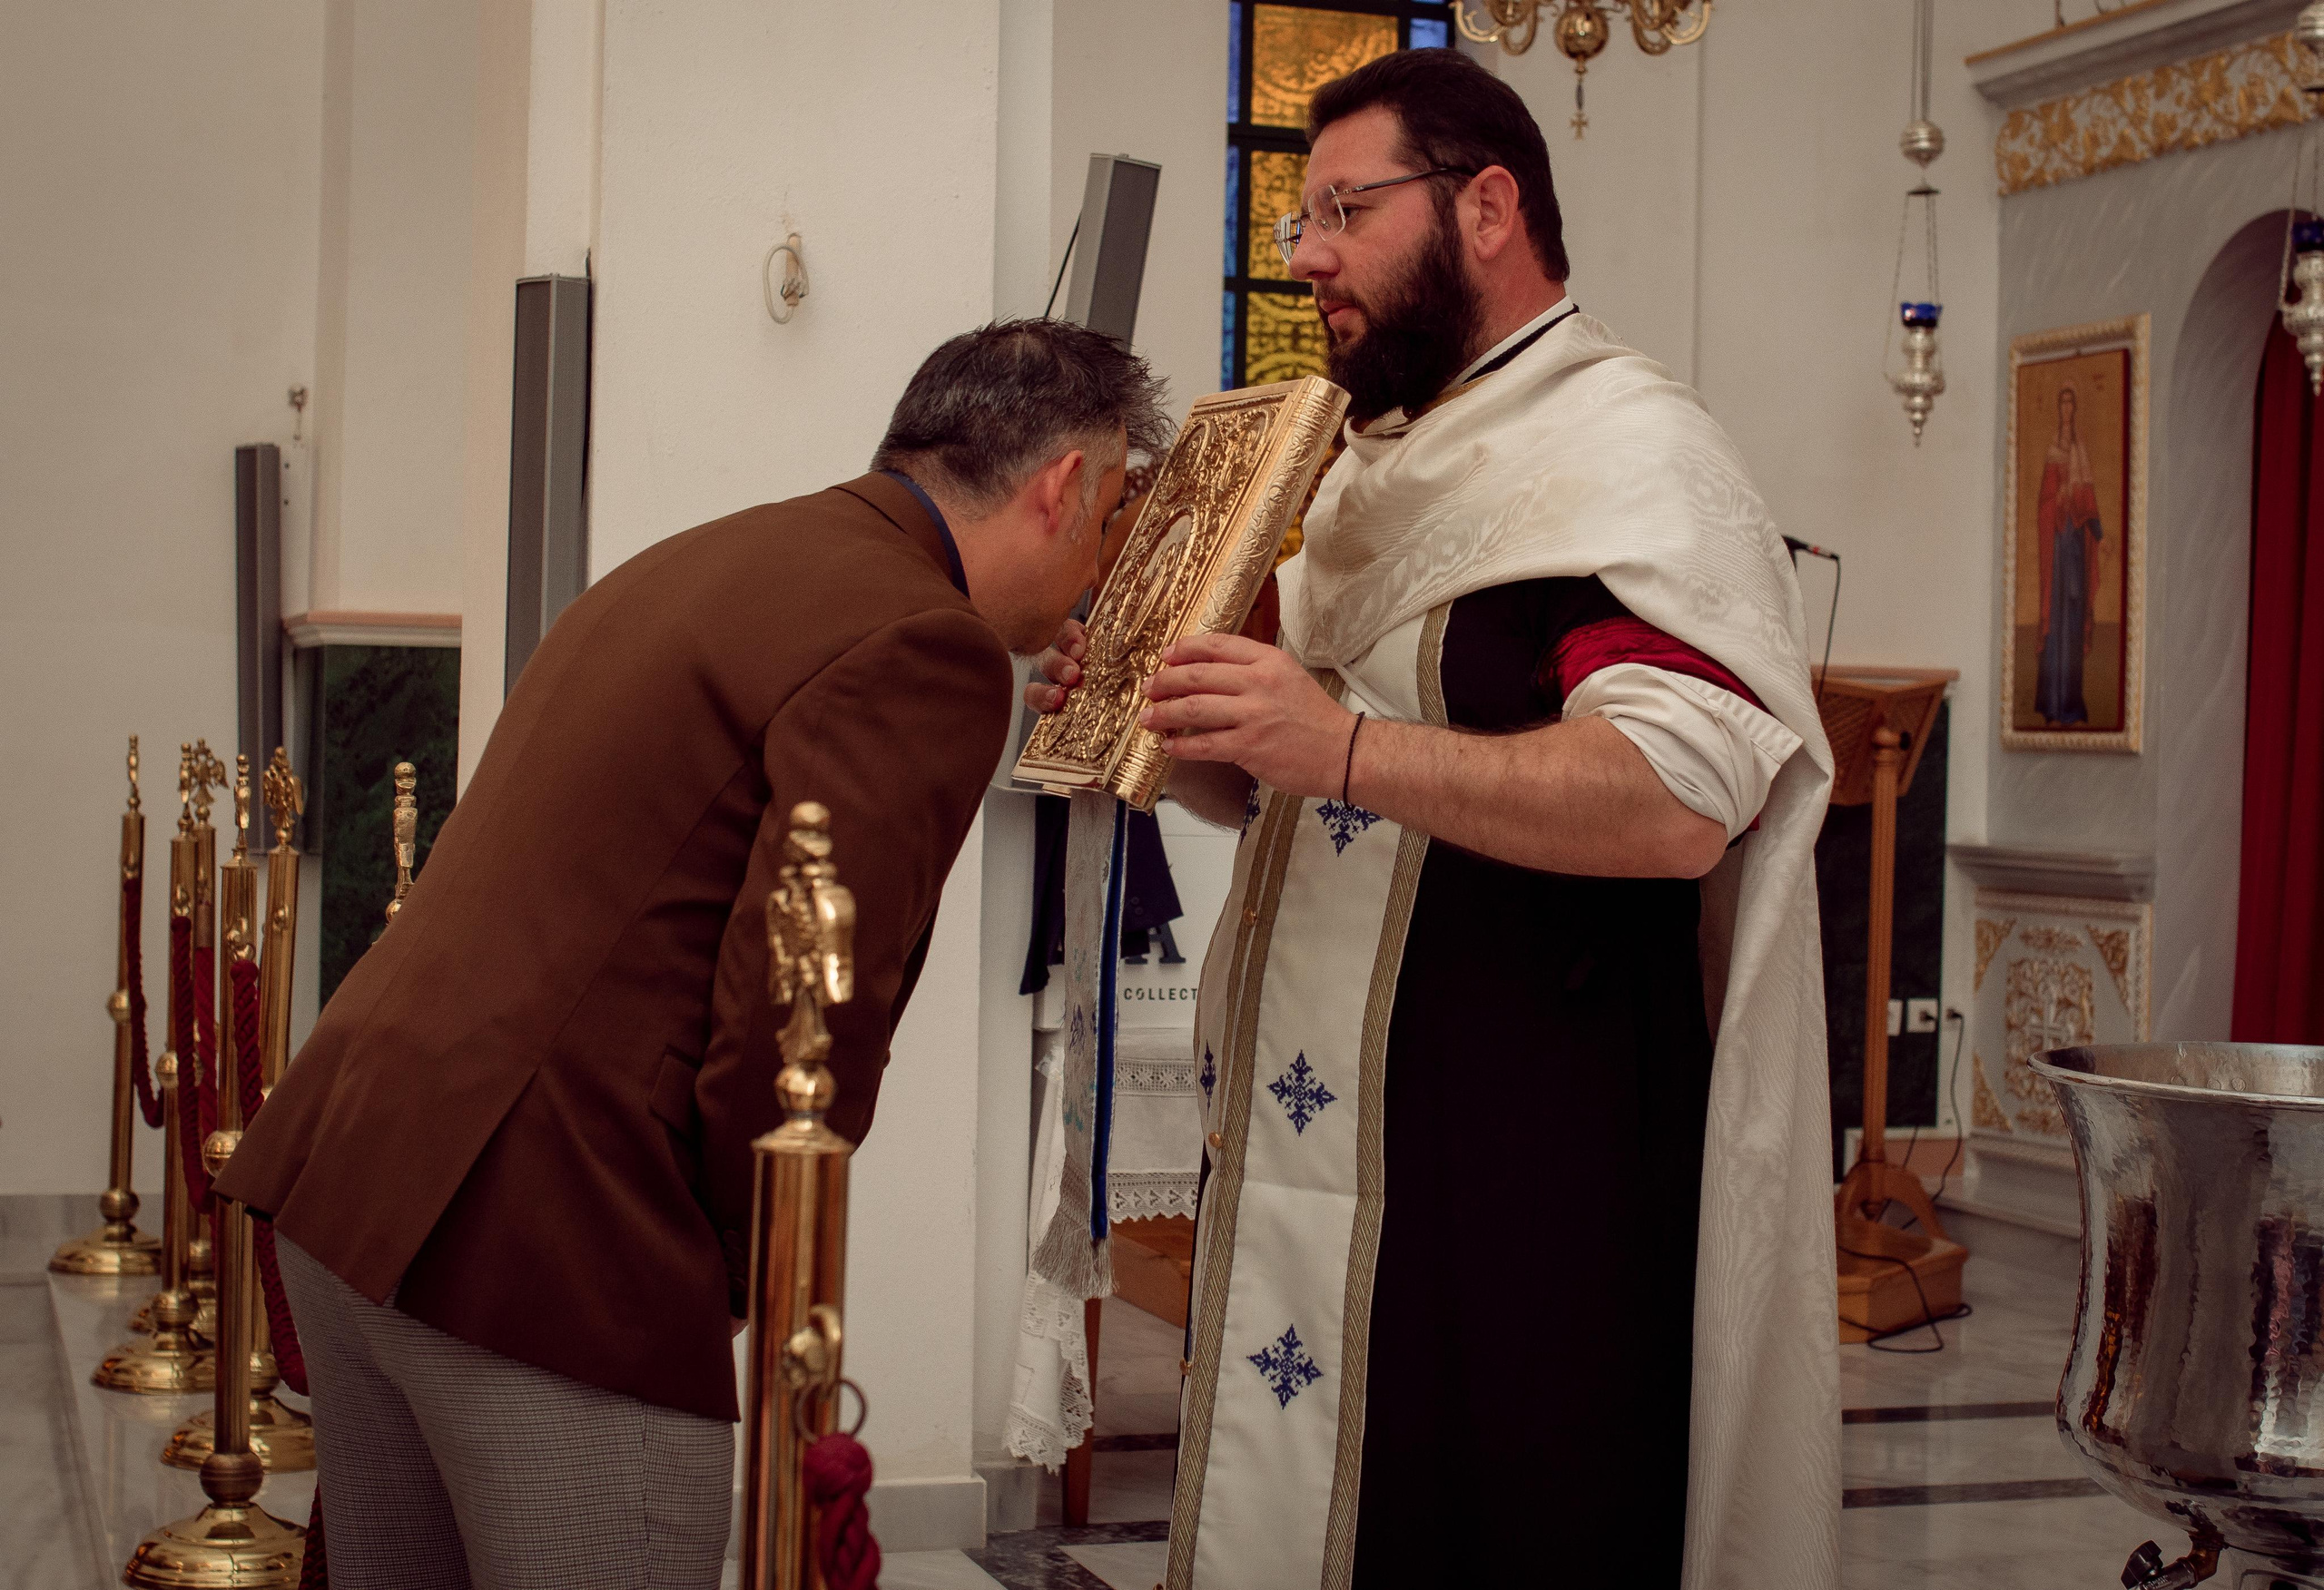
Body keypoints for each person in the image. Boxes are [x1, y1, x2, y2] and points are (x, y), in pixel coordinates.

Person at [1031, 49, 1837, 1590]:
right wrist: (1177, 721)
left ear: (1487, 206)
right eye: (1298, 221)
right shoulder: (1359, 472)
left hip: (1530, 1153)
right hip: (1313, 1138)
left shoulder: (1628, 456)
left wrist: (1334, 743)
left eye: (1346, 208)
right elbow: (1296, 784)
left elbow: (1678, 801)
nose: (1310, 254)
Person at [218, 319, 1168, 1590]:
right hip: (546, 1241)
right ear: (1064, 485)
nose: (1096, 576)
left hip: (361, 1171)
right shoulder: (922, 644)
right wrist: (728, 1268)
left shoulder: (721, 553)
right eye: (1111, 523)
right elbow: (797, 1023)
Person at [2034, 381, 2103, 726]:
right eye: (2061, 404)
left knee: (2074, 623)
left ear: (2074, 409)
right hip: (2059, 551)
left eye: (2070, 404)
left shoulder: (2080, 451)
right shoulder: (2054, 454)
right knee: (2058, 622)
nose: (2066, 410)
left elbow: (2088, 500)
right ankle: (2053, 703)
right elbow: (2044, 506)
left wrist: (2092, 524)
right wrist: (2057, 501)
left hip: (2075, 546)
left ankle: (2072, 703)